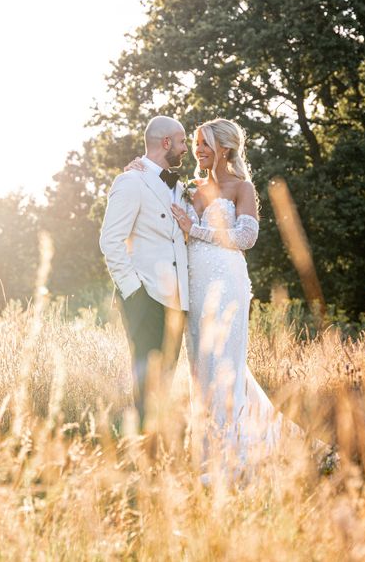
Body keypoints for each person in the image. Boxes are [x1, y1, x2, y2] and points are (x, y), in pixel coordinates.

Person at [127, 118, 282, 476]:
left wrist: (195, 229)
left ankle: (236, 456)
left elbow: (245, 238)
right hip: (194, 284)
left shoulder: (241, 188)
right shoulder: (190, 188)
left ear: (224, 148)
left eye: (205, 143)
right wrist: (137, 169)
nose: (198, 150)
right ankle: (210, 453)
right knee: (201, 367)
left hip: (227, 280)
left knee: (224, 362)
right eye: (195, 143)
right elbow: (157, 199)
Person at [99, 116, 189, 428]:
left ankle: (157, 452)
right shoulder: (130, 182)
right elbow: (110, 240)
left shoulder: (178, 186)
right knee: (146, 385)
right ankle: (138, 454)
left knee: (164, 382)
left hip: (176, 301)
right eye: (182, 141)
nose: (185, 148)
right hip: (145, 296)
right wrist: (133, 291)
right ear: (166, 143)